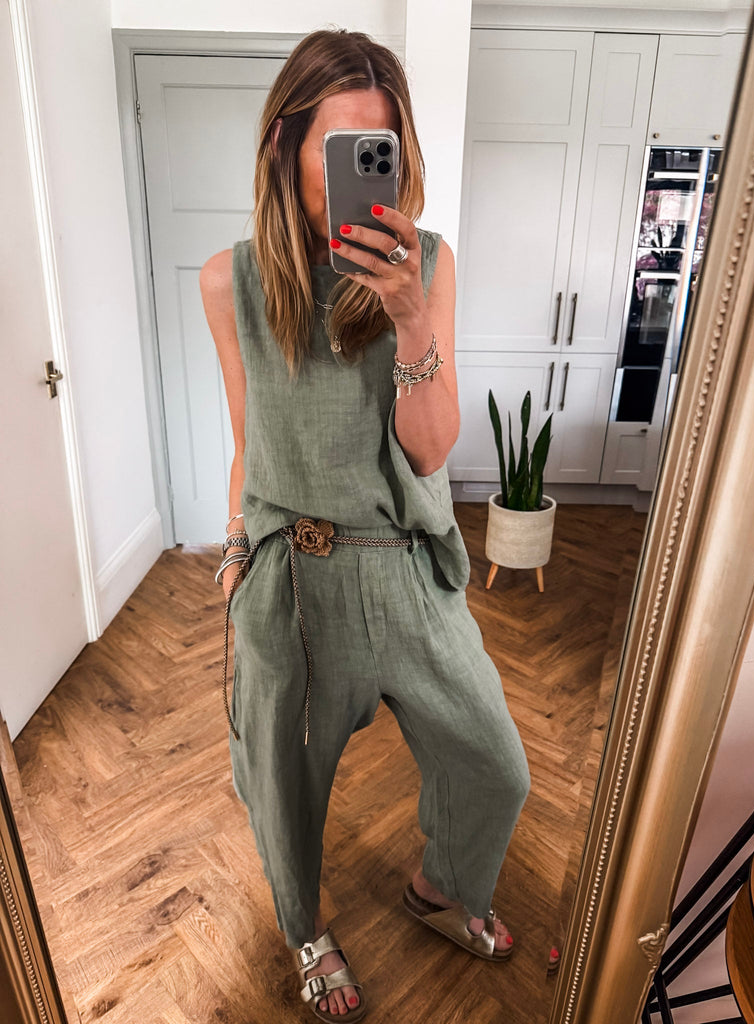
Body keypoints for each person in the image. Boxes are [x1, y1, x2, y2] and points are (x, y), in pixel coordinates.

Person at [200, 28, 531, 1022]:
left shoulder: (426, 263)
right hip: (292, 578)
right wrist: (235, 553)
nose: (360, 170)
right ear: (286, 144)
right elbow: (248, 435)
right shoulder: (230, 281)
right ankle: (305, 929)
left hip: (409, 567)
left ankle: (440, 888)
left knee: (495, 764)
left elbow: (429, 453)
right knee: (283, 785)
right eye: (339, 146)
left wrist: (412, 319)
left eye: (377, 148)